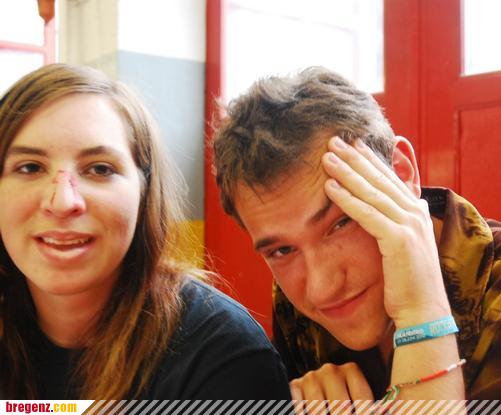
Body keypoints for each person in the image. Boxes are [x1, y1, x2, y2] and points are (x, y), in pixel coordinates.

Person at [212, 67, 501, 401]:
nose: (321, 287)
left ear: (402, 173)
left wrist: (421, 315)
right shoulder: (298, 297)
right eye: (282, 250)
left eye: (341, 222)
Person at [0, 64, 291, 399]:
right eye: (30, 167)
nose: (64, 201)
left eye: (99, 169)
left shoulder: (222, 352)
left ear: (145, 190)